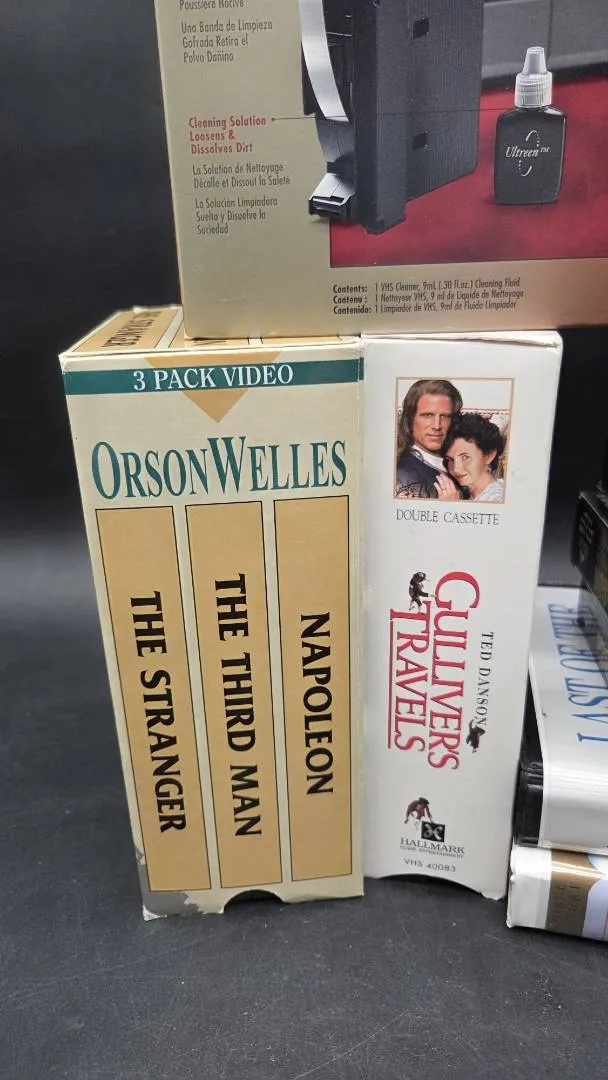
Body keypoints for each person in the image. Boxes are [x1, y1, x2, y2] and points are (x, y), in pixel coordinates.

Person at [395, 379, 463, 498]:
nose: (437, 426)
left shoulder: (456, 465)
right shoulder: (403, 475)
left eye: (445, 416)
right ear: (410, 419)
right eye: (427, 415)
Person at [435, 412, 505, 503]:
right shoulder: (465, 493)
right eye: (450, 459)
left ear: (489, 456)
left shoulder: (497, 498)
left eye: (465, 457)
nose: (456, 469)